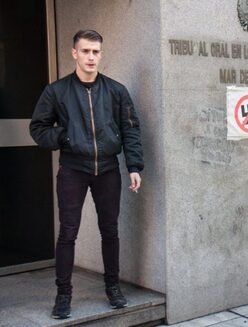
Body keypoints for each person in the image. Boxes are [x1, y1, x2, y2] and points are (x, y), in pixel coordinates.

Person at [30, 30, 144, 319]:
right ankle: (63, 295)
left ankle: (113, 287)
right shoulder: (57, 91)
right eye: (86, 51)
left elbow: (131, 129)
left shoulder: (116, 90)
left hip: (107, 169)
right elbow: (38, 128)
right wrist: (66, 139)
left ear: (100, 54)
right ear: (74, 53)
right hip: (73, 170)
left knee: (110, 230)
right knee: (68, 233)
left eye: (96, 52)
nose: (91, 57)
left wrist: (133, 167)